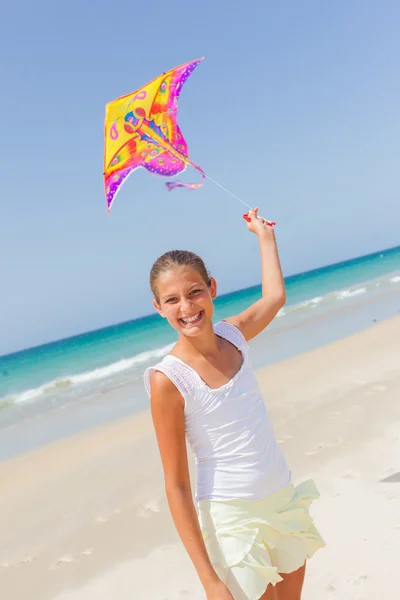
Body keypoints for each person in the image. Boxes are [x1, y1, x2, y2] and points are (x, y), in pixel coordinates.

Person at [144, 209, 325, 600]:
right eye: (172, 300)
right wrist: (209, 579)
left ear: (211, 288)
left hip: (282, 497)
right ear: (159, 307)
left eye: (194, 292)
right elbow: (176, 485)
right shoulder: (168, 381)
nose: (187, 307)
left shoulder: (234, 335)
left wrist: (264, 236)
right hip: (232, 519)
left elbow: (274, 297)